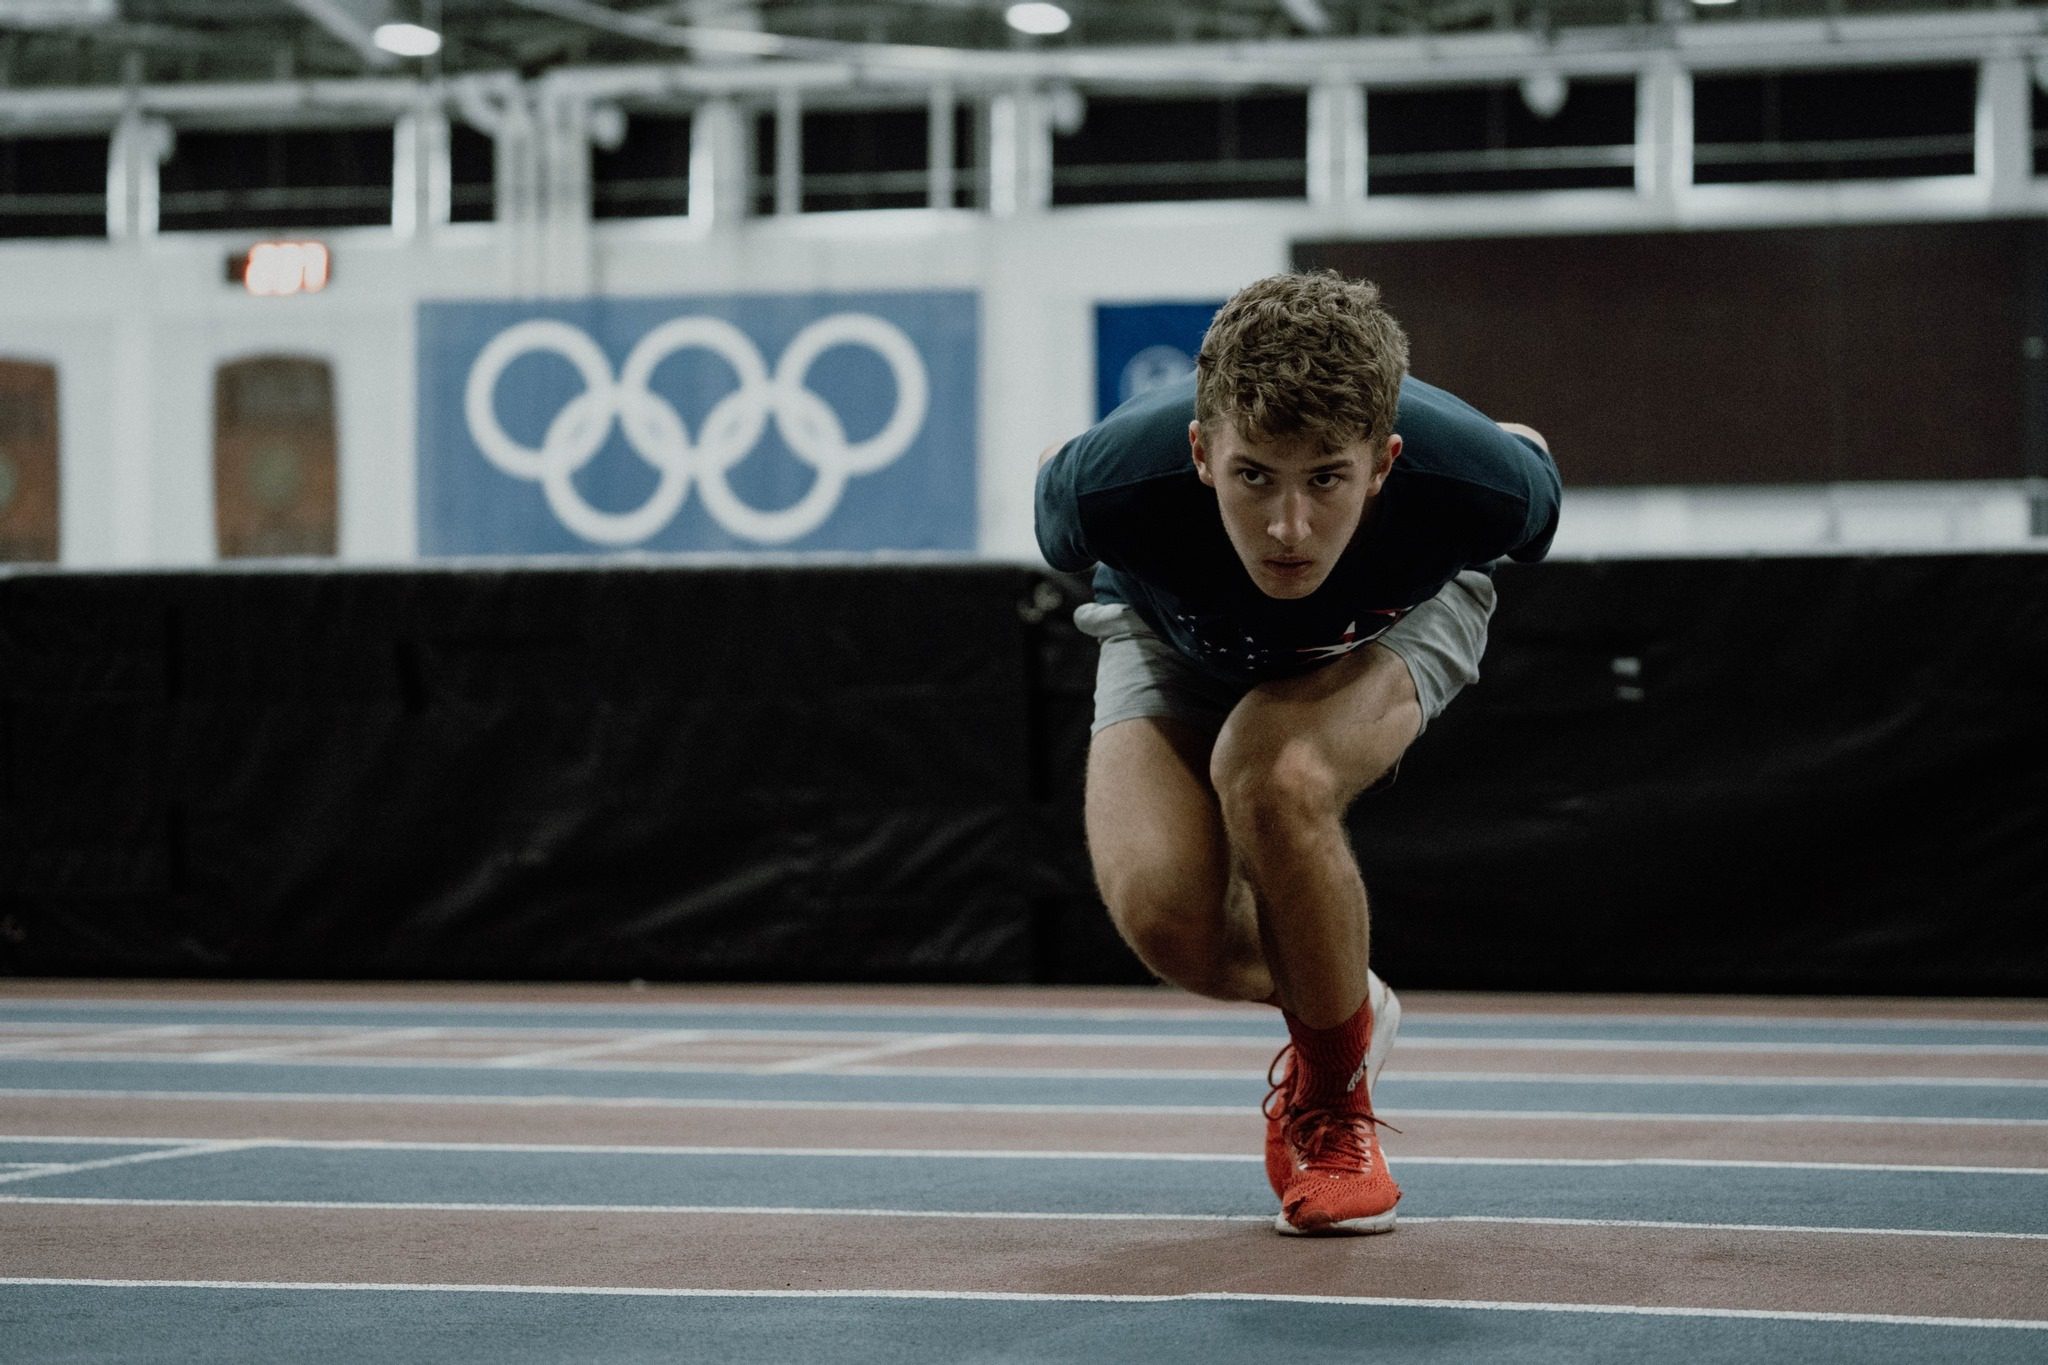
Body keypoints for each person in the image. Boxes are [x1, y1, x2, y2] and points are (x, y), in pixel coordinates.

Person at [1033, 270, 1561, 1235]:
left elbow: (1535, 479)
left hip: (1395, 623)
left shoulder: (1475, 478)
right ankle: (1346, 1001)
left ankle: (1333, 1112)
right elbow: (1055, 491)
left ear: (1386, 461)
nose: (1287, 528)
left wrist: (1503, 452)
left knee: (1272, 767)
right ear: (1199, 451)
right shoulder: (1105, 486)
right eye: (1252, 478)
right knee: (1168, 923)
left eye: (1326, 479)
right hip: (1170, 632)